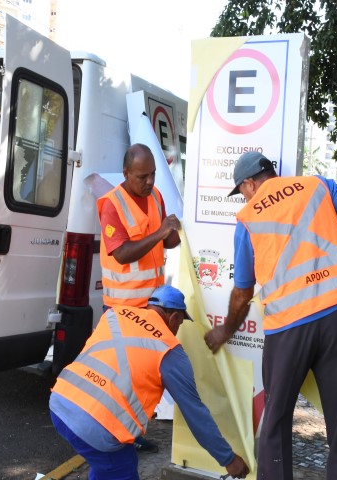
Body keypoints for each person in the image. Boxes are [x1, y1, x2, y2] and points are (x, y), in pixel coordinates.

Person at [204, 152, 337, 480]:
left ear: (250, 183)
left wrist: (225, 330)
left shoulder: (249, 216)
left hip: (289, 327)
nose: (243, 197)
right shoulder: (315, 185)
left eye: (241, 191)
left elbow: (243, 291)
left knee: (276, 422)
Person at [49, 285, 250, 480]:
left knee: (104, 464)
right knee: (120, 468)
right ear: (175, 318)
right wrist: (228, 458)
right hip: (96, 428)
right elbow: (196, 415)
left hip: (60, 403)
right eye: (179, 325)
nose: (177, 330)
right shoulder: (170, 352)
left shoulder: (114, 314)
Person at [97, 143, 181, 453]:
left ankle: (132, 434)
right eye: (142, 177)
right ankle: (112, 436)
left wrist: (173, 232)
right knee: (119, 378)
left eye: (153, 175)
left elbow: (165, 242)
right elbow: (121, 254)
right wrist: (160, 233)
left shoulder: (155, 197)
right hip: (122, 309)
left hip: (152, 308)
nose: (149, 182)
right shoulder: (111, 204)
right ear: (126, 173)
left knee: (141, 379)